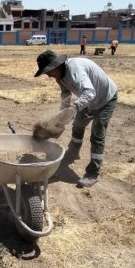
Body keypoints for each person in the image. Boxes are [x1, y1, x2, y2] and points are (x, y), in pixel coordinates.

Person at [34, 50, 118, 187]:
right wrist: (63, 111)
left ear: (56, 66)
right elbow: (66, 92)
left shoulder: (75, 71)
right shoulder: (59, 75)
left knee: (97, 135)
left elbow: (90, 92)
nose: (48, 75)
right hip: (88, 100)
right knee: (78, 126)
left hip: (105, 99)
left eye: (48, 71)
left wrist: (74, 108)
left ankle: (93, 173)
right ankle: (73, 153)